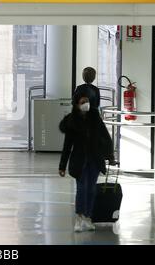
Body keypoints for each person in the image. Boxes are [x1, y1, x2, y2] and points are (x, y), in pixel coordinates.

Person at [58, 91, 115, 232]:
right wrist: (62, 166)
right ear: (77, 104)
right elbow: (67, 146)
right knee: (82, 189)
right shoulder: (72, 122)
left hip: (95, 160)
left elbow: (106, 137)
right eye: (83, 102)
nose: (86, 104)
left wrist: (110, 156)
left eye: (87, 101)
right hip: (80, 160)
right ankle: (79, 217)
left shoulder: (95, 118)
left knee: (91, 189)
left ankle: (88, 217)